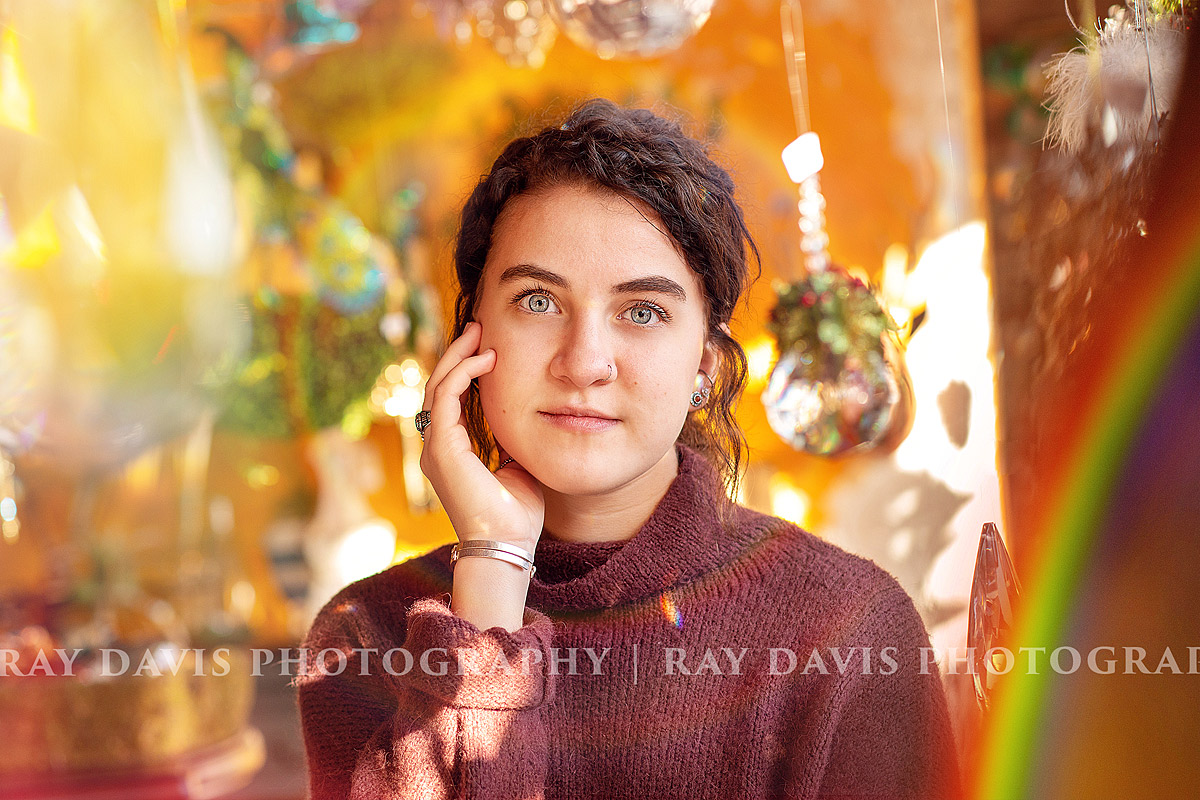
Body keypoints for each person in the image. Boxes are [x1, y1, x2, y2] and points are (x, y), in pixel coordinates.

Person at [296, 98, 963, 800]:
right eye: (537, 302)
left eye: (642, 312)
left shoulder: (848, 633)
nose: (585, 363)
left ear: (705, 365)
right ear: (470, 335)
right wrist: (491, 572)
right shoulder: (361, 639)